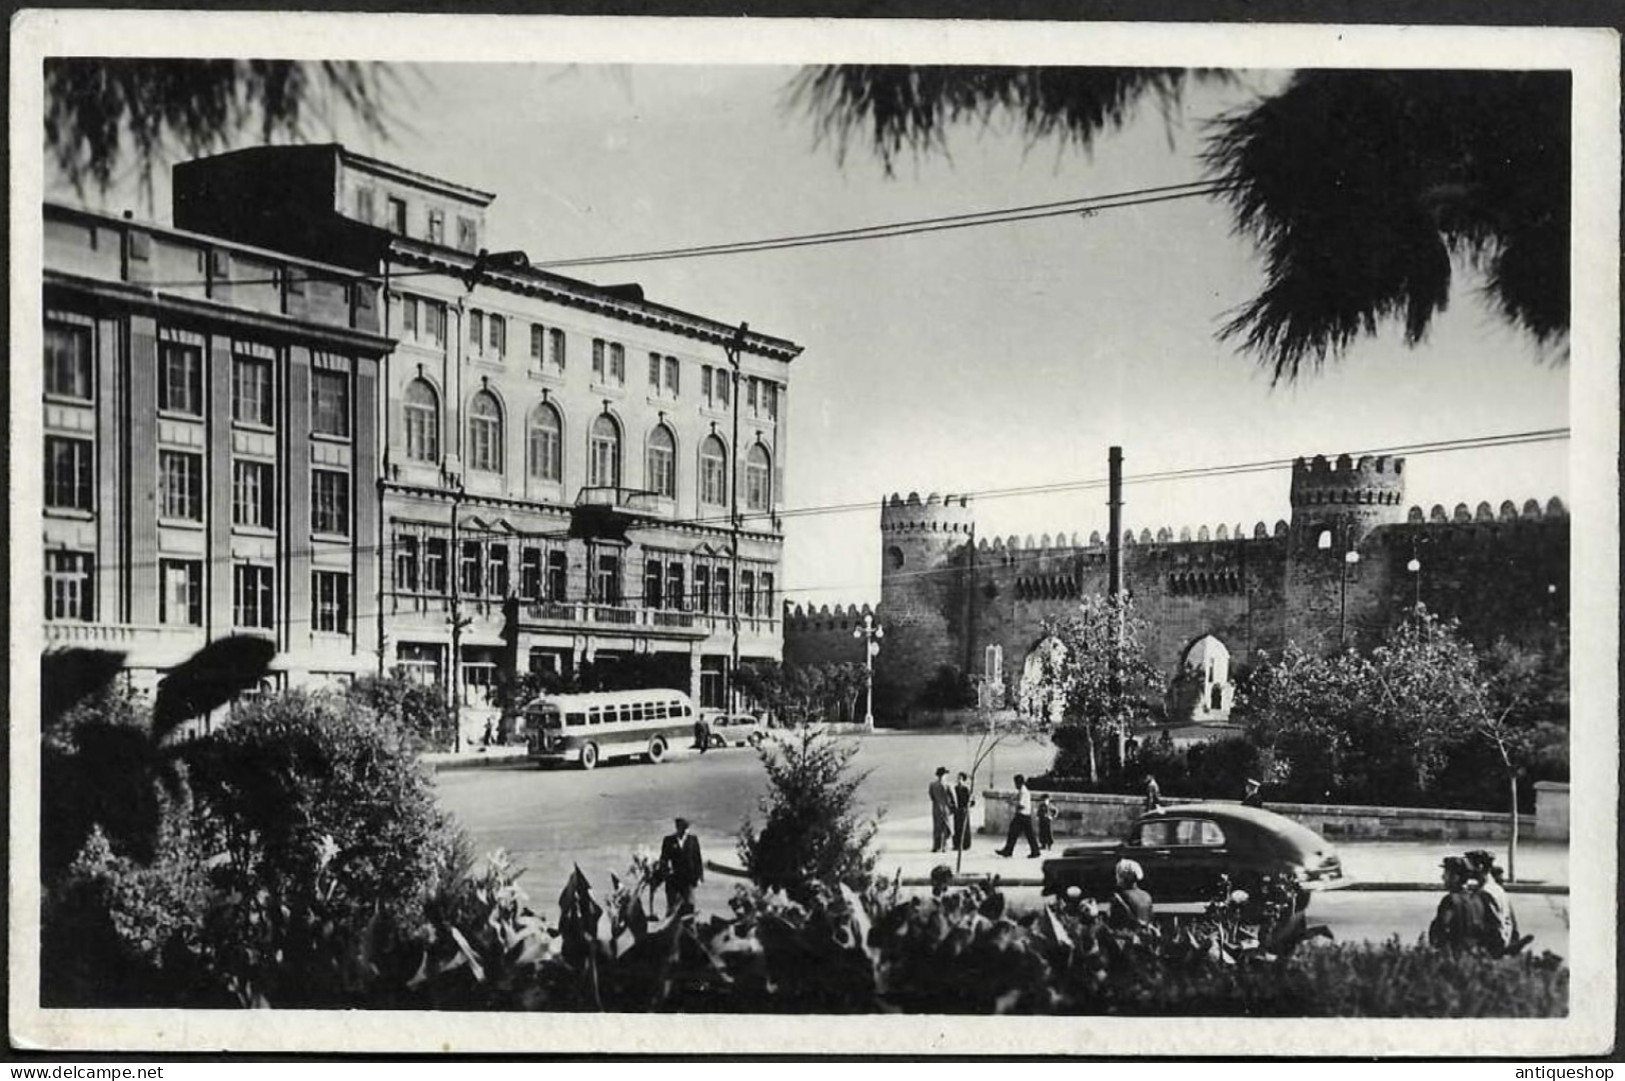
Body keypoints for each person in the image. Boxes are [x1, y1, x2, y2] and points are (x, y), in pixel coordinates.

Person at [1465, 849, 1522, 956]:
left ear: (1480, 867)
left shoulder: (1484, 893)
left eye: (1469, 865)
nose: (1466, 869)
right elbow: (1511, 920)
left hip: (1491, 950)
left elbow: (1495, 926)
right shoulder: (1497, 889)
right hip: (1506, 941)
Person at [1427, 855, 1490, 952]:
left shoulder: (1450, 900)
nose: (1443, 877)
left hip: (1455, 953)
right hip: (1473, 953)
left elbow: (1442, 928)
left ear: (1456, 877)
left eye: (1446, 873)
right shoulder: (1477, 899)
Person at [657, 817, 705, 917]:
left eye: (687, 829)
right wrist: (666, 874)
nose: (685, 832)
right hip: (674, 880)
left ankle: (690, 931)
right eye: (683, 829)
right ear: (677, 828)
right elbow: (663, 860)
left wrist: (700, 877)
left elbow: (698, 859)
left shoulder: (693, 840)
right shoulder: (668, 840)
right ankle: (671, 931)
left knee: (690, 907)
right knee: (672, 907)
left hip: (689, 879)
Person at [996, 774, 1043, 859]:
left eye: (1015, 783)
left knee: (1013, 832)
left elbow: (1022, 806)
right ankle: (1035, 851)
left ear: (1018, 783)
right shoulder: (1023, 791)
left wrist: (1012, 803)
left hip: (1022, 815)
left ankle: (1008, 851)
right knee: (1029, 834)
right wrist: (1013, 799)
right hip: (1025, 815)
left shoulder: (1024, 792)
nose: (1015, 785)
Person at [1109, 859, 1154, 929]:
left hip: (1127, 937)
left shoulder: (1119, 897)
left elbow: (1114, 925)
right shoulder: (1147, 896)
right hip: (1146, 937)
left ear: (1122, 877)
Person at [928, 767, 955, 852]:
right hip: (945, 808)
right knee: (946, 827)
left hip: (936, 809)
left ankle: (936, 846)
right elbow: (953, 798)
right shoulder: (947, 785)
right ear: (944, 775)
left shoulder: (932, 784)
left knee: (936, 828)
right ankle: (944, 846)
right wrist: (954, 807)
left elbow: (932, 797)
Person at [953, 771, 975, 851]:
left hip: (964, 810)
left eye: (960, 778)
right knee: (957, 827)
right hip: (957, 811)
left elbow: (972, 802)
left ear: (963, 780)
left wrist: (969, 804)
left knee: (965, 828)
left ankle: (965, 845)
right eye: (957, 778)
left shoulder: (966, 789)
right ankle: (957, 845)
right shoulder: (955, 789)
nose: (958, 780)